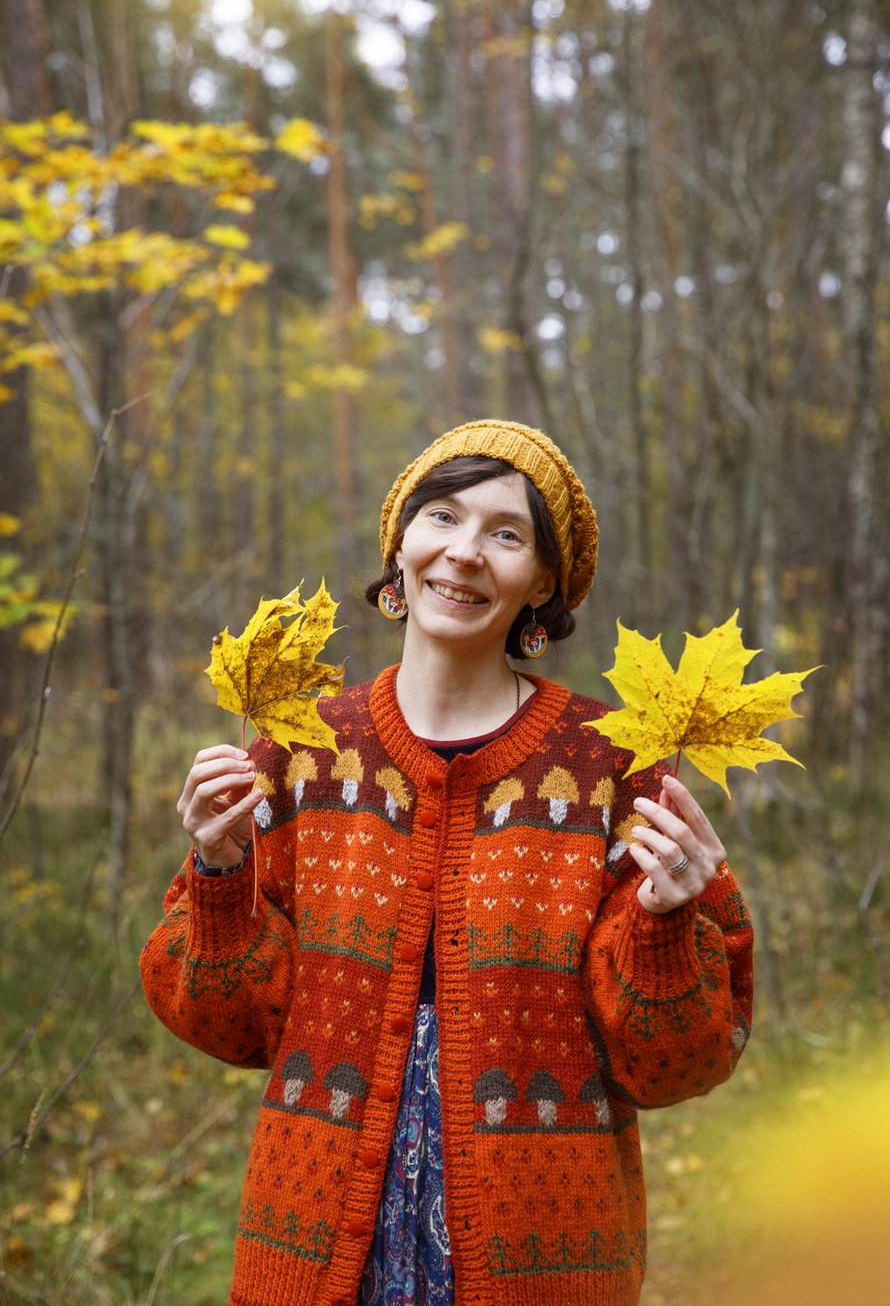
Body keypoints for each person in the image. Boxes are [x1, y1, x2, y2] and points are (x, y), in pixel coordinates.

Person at [140, 419, 753, 1306]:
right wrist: (220, 870)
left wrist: (662, 929)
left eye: (506, 532)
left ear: (543, 581)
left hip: (548, 1249)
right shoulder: (299, 752)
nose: (464, 552)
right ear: (399, 544)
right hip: (314, 1241)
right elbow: (223, 1023)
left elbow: (678, 1065)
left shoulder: (617, 766)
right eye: (441, 516)